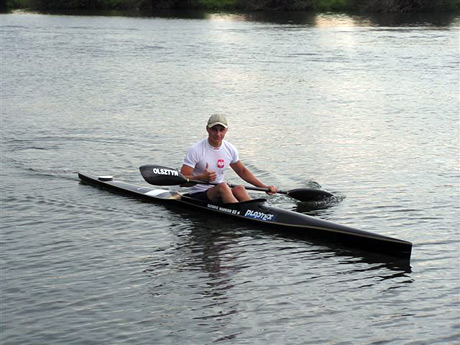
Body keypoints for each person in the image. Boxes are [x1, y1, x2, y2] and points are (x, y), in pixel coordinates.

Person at [180, 114, 278, 203]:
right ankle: (242, 214)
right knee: (223, 186)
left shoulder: (230, 149)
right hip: (199, 193)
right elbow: (182, 181)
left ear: (226, 130)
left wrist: (264, 187)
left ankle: (256, 211)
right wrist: (201, 178)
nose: (218, 134)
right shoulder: (196, 150)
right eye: (214, 129)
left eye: (221, 130)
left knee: (239, 188)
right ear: (207, 129)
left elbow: (242, 171)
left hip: (219, 190)